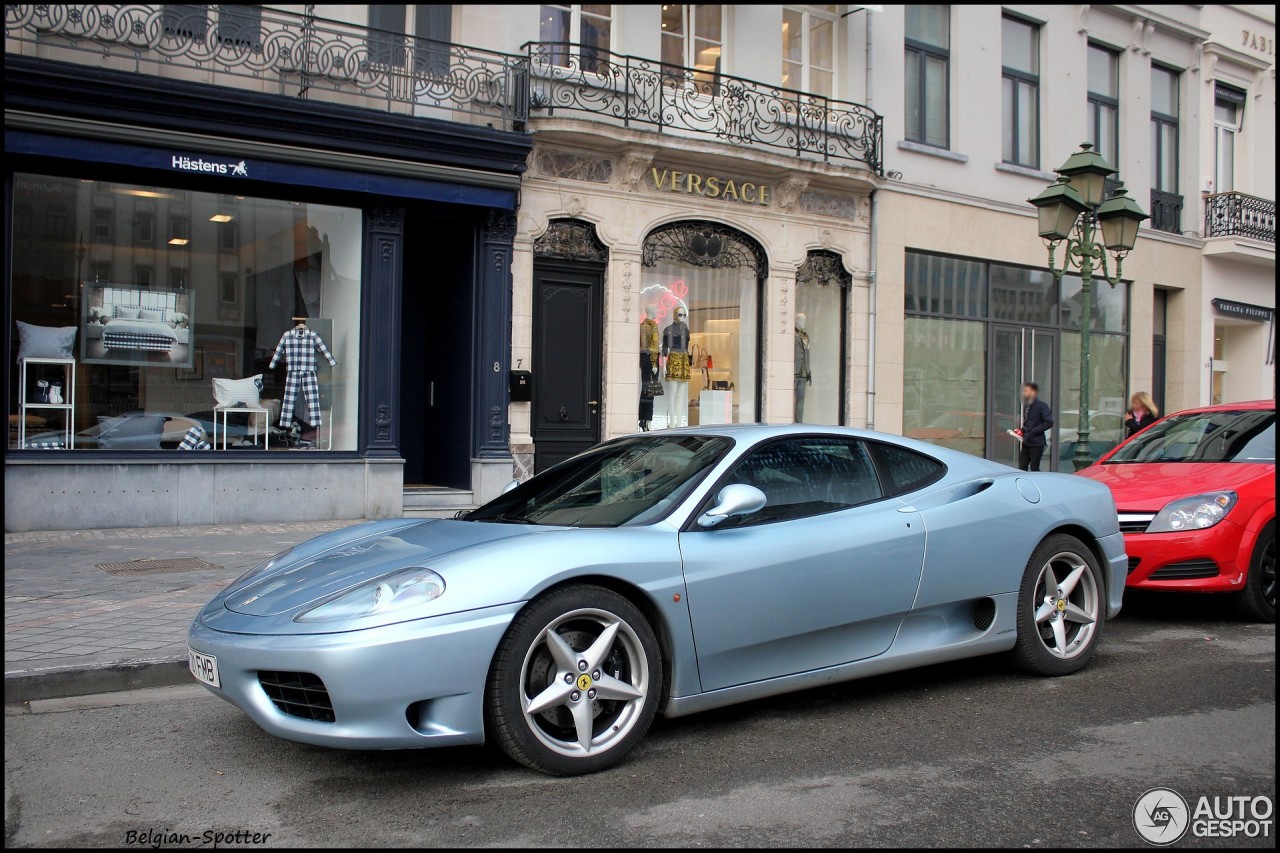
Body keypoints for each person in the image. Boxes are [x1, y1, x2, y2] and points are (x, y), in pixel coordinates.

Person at [1014, 382, 1053, 472]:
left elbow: (1049, 422)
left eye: (1026, 391)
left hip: (1037, 443)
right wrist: (1021, 430)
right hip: (1026, 442)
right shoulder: (1028, 406)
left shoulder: (1042, 406)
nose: (1024, 393)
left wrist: (1034, 431)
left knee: (1034, 468)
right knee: (1022, 467)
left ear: (1033, 392)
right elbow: (1028, 423)